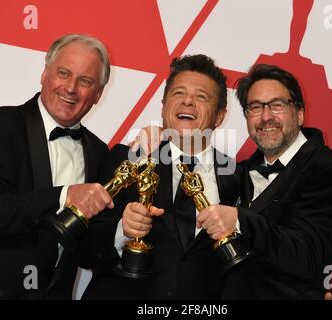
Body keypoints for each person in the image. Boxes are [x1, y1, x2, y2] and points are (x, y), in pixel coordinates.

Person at [79, 54, 240, 299]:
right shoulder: (129, 157)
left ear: (219, 116)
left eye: (201, 96)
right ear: (164, 105)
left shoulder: (238, 178)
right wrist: (122, 230)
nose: (187, 101)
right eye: (178, 93)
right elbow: (83, 250)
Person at [0, 34, 114, 299]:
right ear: (44, 74)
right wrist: (63, 195)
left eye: (85, 81)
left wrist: (122, 233)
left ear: (98, 94)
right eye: (63, 73)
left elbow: (88, 251)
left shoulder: (100, 153)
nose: (71, 88)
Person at [201, 63, 332, 299]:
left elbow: (307, 256)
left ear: (300, 113)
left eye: (277, 105)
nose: (266, 116)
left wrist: (241, 221)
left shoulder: (325, 168)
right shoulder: (239, 172)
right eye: (255, 107)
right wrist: (161, 143)